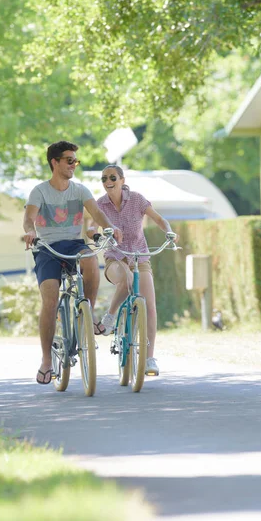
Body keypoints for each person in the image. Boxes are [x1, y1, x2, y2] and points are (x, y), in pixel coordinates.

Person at [23, 141, 122, 385]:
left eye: (75, 161)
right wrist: (30, 232)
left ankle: (86, 314)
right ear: (54, 162)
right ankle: (47, 361)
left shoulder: (80, 190)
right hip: (46, 248)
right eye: (69, 160)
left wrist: (111, 227)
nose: (73, 165)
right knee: (49, 299)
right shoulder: (40, 191)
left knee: (90, 257)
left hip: (73, 244)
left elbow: (97, 214)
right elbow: (29, 218)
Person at [87, 165, 177, 377]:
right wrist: (97, 236)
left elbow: (158, 218)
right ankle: (110, 316)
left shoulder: (137, 199)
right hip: (115, 258)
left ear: (121, 179)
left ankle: (149, 359)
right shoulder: (100, 204)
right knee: (126, 279)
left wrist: (169, 232)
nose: (108, 181)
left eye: (112, 177)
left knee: (150, 305)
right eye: (104, 178)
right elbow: (91, 227)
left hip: (139, 257)